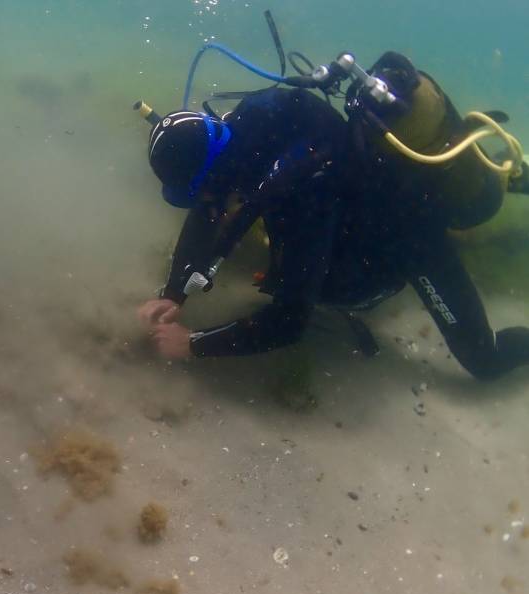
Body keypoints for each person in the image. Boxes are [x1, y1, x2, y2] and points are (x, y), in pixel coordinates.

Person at [137, 52, 529, 380]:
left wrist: (191, 344)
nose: (205, 203)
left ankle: (485, 179)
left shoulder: (299, 191)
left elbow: (289, 323)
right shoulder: (248, 125)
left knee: (485, 359)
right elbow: (209, 211)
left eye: (199, 191)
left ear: (213, 172)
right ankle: (501, 170)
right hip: (372, 188)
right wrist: (174, 292)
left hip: (411, 233)